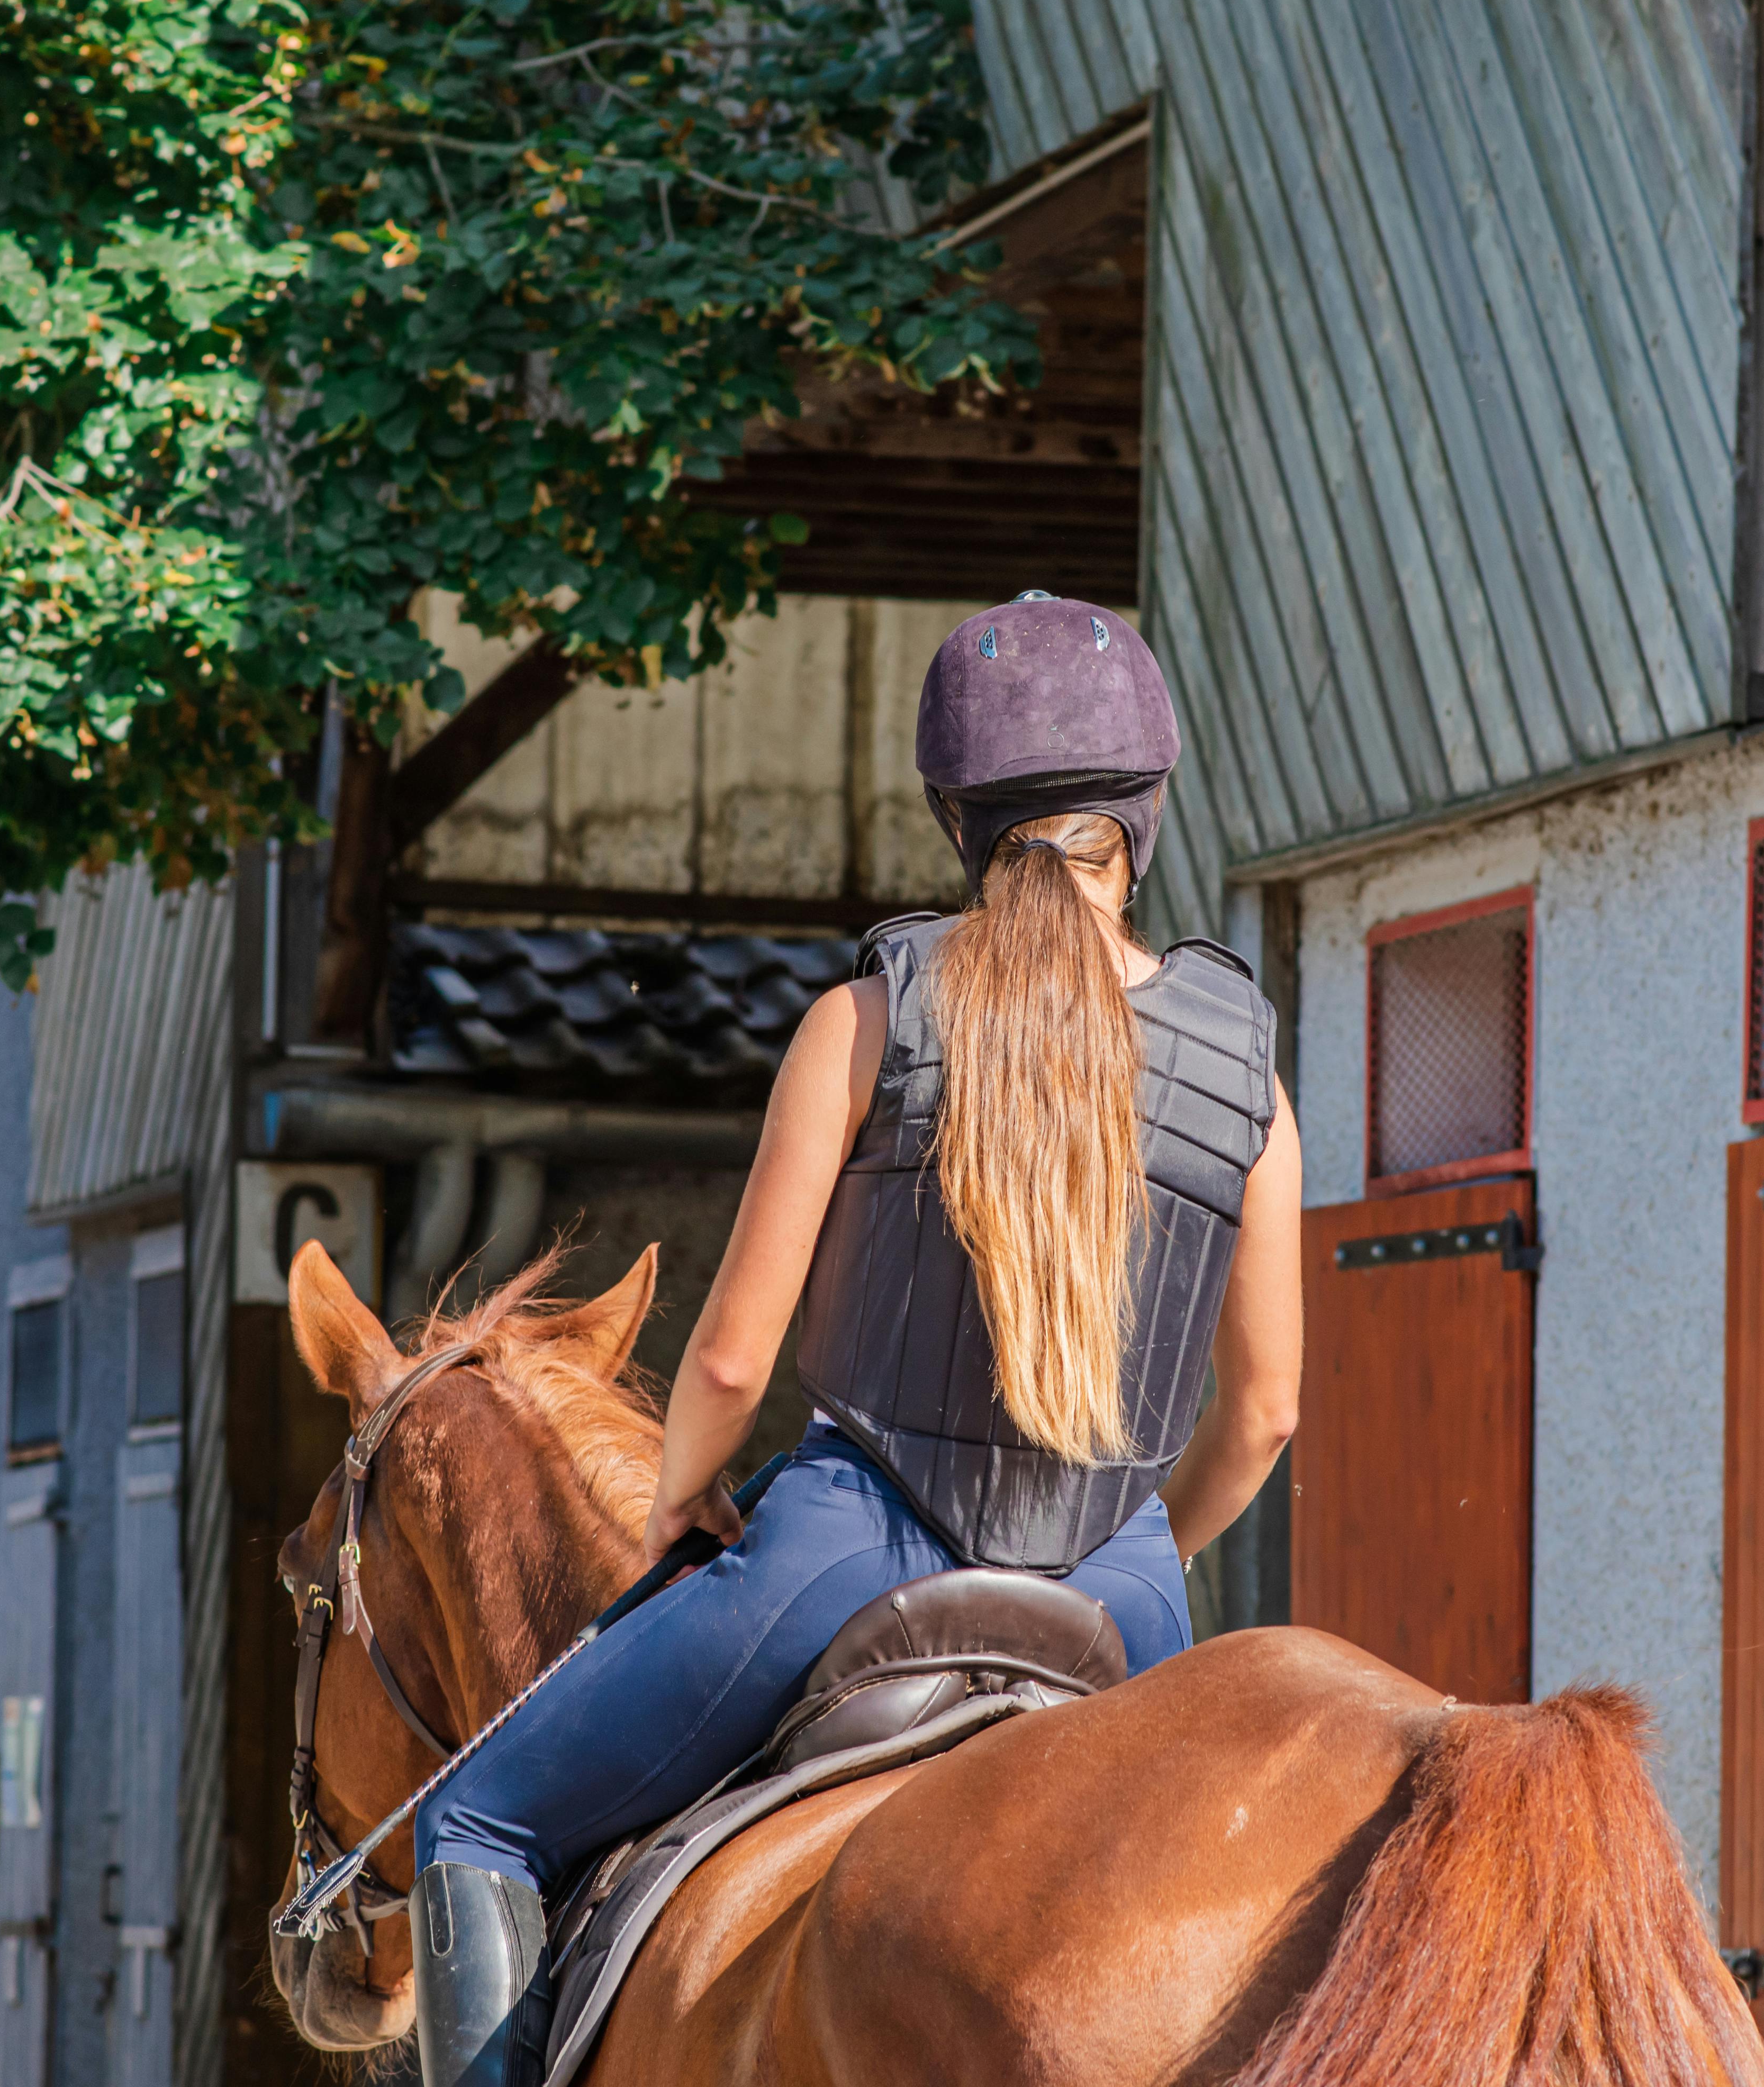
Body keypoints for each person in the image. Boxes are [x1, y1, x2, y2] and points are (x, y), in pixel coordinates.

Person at [406, 592, 1305, 2087]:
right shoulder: (1250, 1077)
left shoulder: (864, 1025)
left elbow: (729, 1366)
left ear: (954, 812)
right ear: (1144, 814)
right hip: (1123, 1592)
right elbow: (1265, 1411)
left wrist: (683, 1498)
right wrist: (1147, 1544)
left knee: (475, 1822)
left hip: (849, 1548)